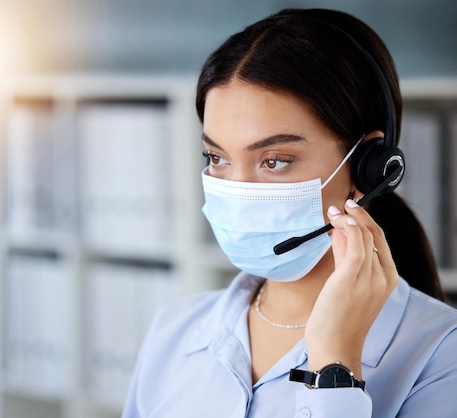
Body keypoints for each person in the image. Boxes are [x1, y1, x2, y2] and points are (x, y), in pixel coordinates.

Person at [122, 8, 457, 418]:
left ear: (370, 167)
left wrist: (336, 368)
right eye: (216, 157)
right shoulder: (173, 331)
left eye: (275, 160)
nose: (238, 191)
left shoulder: (443, 358)